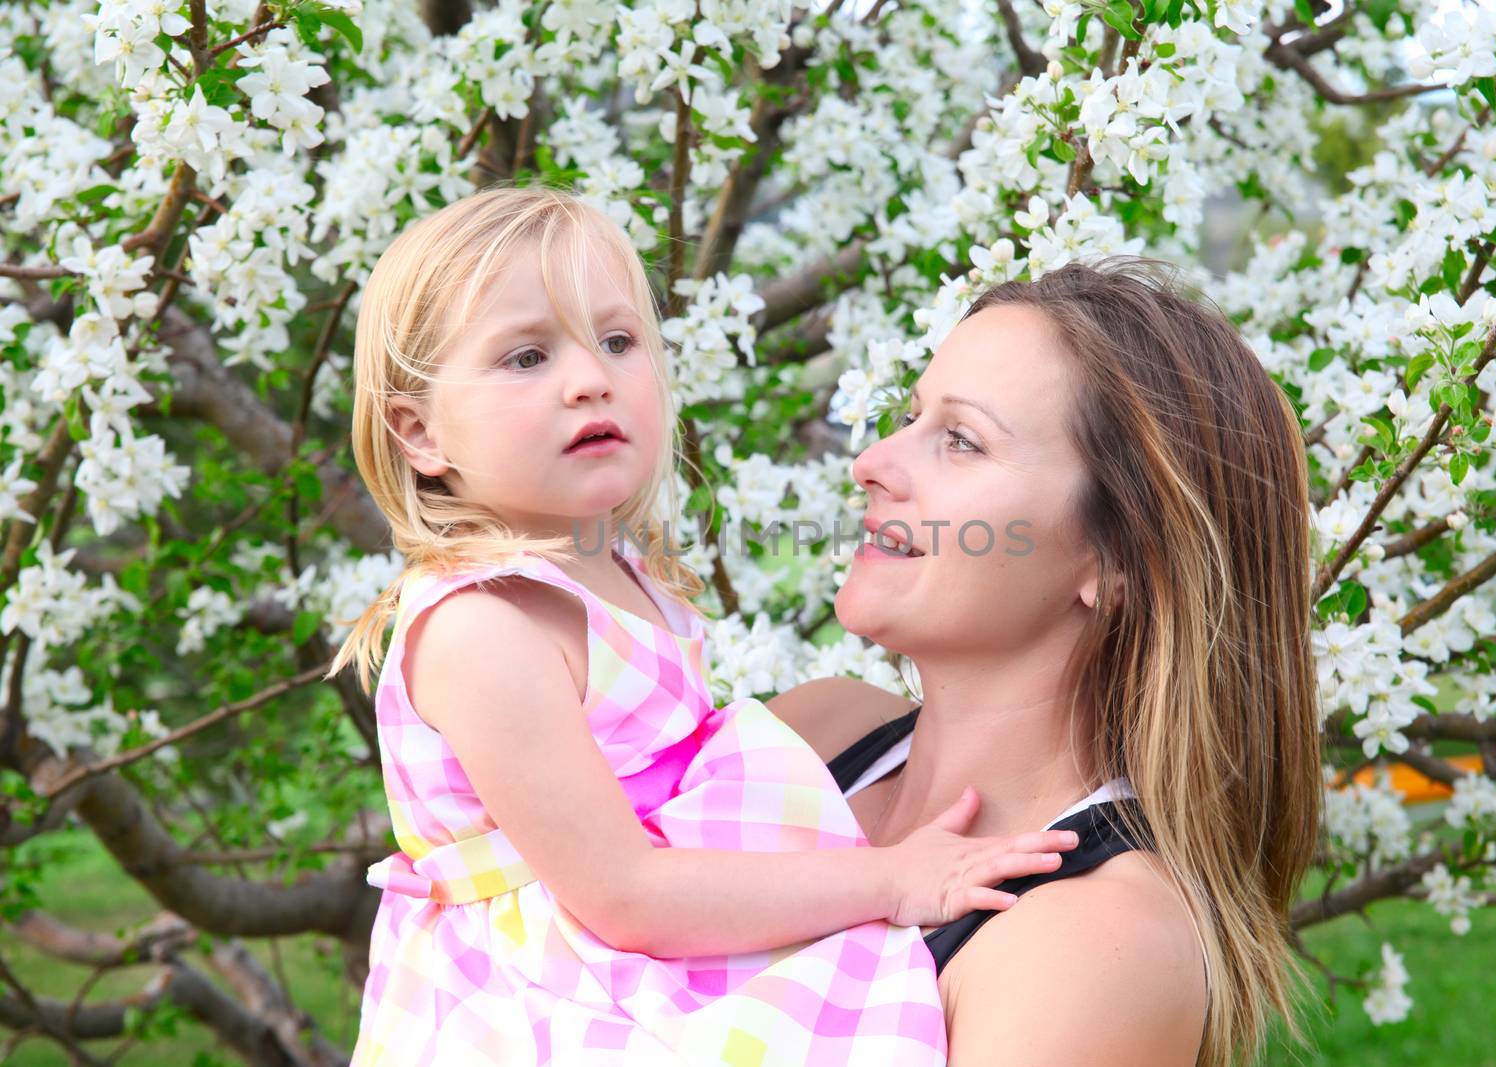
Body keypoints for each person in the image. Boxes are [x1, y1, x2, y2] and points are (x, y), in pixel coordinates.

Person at [328, 184, 1079, 1066]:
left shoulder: (609, 565)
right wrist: (892, 875)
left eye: (617, 340)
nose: (589, 378)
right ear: (420, 434)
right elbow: (625, 892)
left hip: (640, 946)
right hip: (540, 999)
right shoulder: (487, 628)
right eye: (526, 357)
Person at [771, 258, 1322, 1067]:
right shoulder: (817, 734)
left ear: (1114, 557)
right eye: (911, 416)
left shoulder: (1096, 946)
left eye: (962, 440)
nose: (874, 461)